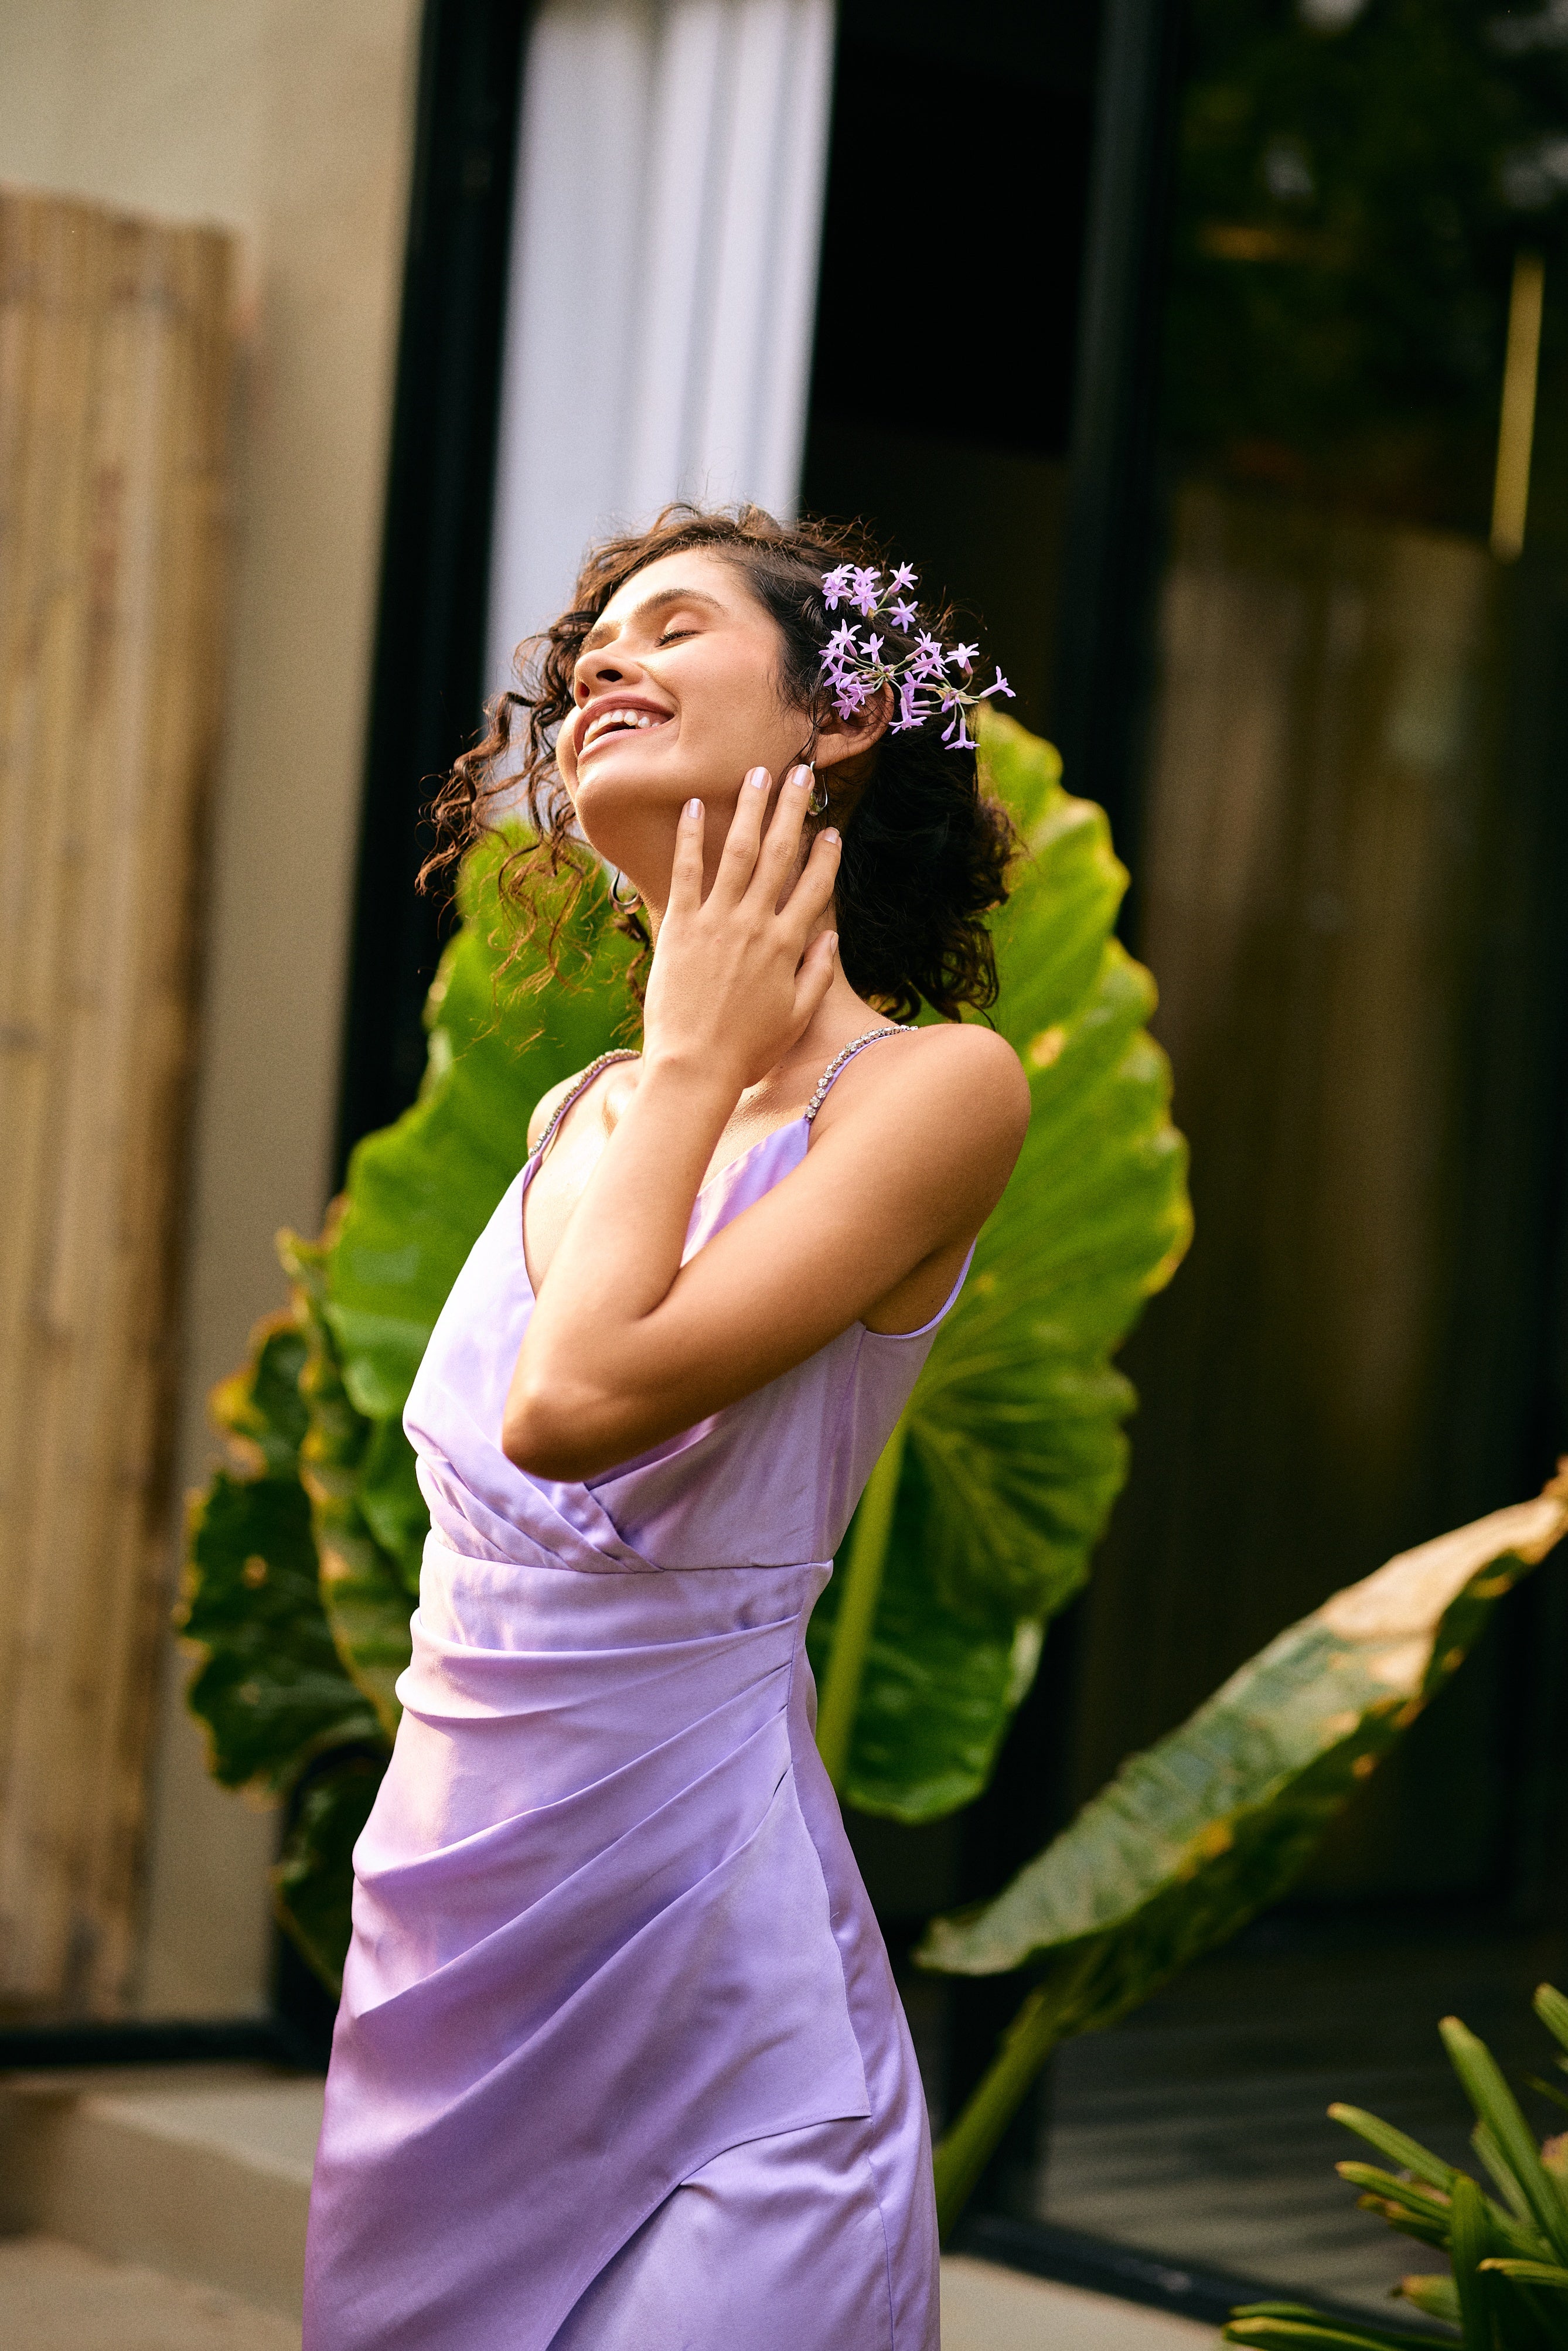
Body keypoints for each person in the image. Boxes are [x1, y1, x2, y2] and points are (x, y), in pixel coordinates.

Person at [301, 506, 1030, 2351]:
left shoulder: (933, 1090)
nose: (600, 666)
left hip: (718, 1997)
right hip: (451, 1957)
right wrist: (671, 1065)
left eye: (671, 627)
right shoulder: (574, 1121)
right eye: (586, 654)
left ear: (843, 710)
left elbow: (572, 1405)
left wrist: (703, 1059)